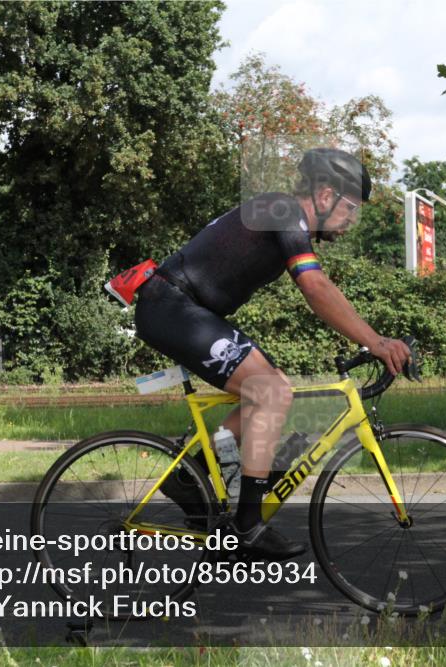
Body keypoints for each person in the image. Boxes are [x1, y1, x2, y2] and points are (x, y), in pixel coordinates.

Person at [133, 148, 413, 560]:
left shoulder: (284, 215)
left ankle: (190, 478)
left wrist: (373, 339)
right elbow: (315, 287)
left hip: (180, 308)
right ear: (325, 195)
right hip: (171, 307)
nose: (352, 220)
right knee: (271, 392)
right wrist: (377, 342)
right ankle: (247, 527)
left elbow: (321, 288)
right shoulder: (283, 211)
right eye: (351, 208)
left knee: (275, 387)